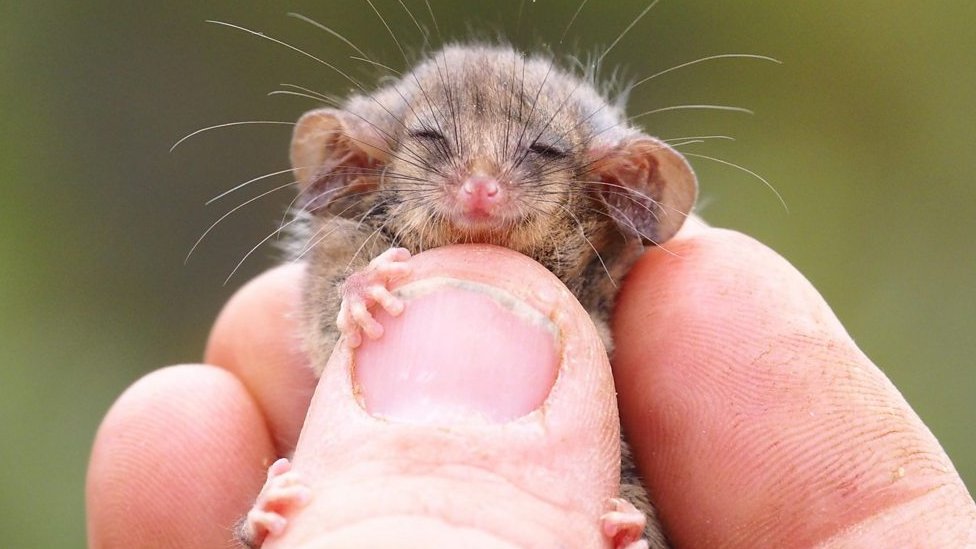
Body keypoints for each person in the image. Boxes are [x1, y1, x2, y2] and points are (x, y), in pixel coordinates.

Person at [86, 222, 976, 548]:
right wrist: (359, 294)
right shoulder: (352, 253)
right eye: (438, 145)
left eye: (533, 154)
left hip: (602, 500)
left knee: (629, 487)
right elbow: (320, 326)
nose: (479, 190)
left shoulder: (606, 271)